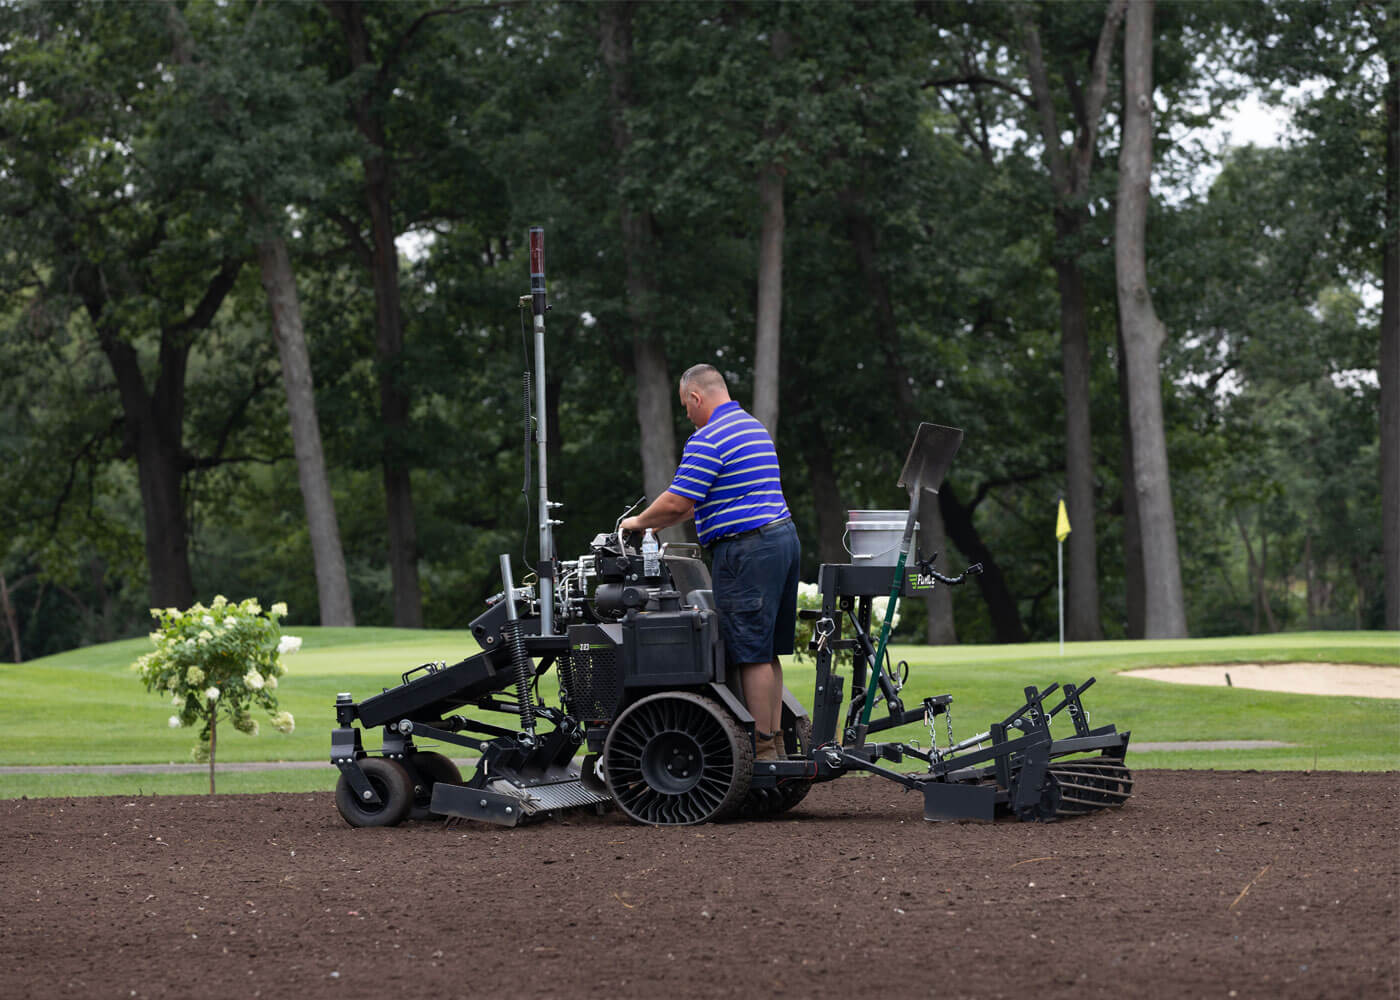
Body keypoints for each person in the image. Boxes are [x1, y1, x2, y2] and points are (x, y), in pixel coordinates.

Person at [620, 364, 800, 761]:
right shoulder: (751, 427)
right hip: (782, 540)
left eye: (686, 405)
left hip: (746, 550)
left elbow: (678, 500)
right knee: (767, 650)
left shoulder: (709, 438)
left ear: (697, 398)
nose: (686, 414)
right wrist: (660, 522)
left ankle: (761, 753)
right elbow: (698, 501)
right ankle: (777, 746)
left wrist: (634, 523)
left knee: (750, 652)